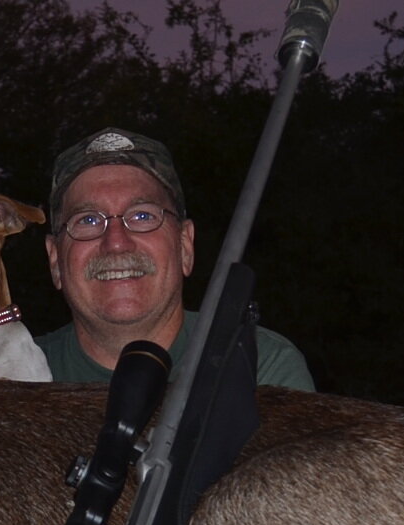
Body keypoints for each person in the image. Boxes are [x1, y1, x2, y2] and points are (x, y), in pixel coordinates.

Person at [36, 128, 314, 389]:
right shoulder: (11, 377)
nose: (116, 243)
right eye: (88, 220)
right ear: (55, 260)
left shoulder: (261, 368)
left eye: (143, 216)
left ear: (185, 245)